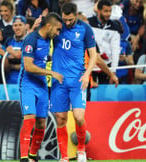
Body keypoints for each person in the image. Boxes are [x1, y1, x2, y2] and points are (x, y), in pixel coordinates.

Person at [50, 2, 117, 162]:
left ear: (76, 14)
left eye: (70, 20)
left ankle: (81, 151)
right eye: (65, 19)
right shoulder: (56, 26)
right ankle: (64, 157)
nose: (67, 23)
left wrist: (88, 74)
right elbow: (40, 36)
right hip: (58, 80)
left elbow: (95, 56)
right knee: (60, 117)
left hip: (78, 80)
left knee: (79, 117)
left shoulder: (85, 29)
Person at [19, 12, 63, 162]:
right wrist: (51, 73)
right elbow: (29, 66)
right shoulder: (31, 39)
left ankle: (32, 156)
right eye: (57, 30)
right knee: (30, 119)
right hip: (28, 83)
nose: (58, 33)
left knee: (41, 123)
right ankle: (24, 158)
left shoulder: (49, 40)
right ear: (49, 26)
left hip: (42, 85)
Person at [5, 15, 27, 84]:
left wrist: (12, 65)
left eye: (20, 25)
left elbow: (27, 64)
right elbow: (5, 64)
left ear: (25, 26)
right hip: (9, 82)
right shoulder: (8, 41)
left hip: (25, 83)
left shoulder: (30, 41)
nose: (17, 28)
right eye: (15, 25)